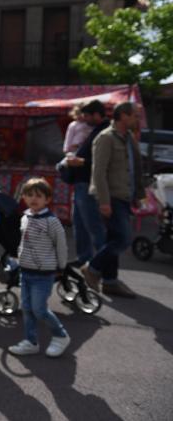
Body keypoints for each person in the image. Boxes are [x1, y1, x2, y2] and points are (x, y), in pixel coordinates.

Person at [82, 101, 143, 298]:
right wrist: (104, 201)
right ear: (123, 116)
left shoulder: (129, 138)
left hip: (125, 195)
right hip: (111, 197)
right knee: (123, 239)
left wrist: (138, 194)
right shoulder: (106, 138)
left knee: (113, 238)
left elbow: (135, 169)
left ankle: (110, 281)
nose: (138, 119)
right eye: (135, 115)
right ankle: (92, 268)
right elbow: (99, 172)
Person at [8, 178, 71, 358]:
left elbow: (61, 245)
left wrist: (61, 266)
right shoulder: (25, 217)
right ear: (24, 197)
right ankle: (31, 341)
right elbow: (24, 242)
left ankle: (60, 335)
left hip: (43, 274)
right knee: (27, 309)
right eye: (29, 195)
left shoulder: (52, 221)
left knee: (39, 309)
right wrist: (18, 260)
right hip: (25, 271)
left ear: (47, 199)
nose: (33, 199)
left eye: (38, 196)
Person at [66, 99, 109, 265]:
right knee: (79, 223)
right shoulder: (95, 129)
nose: (84, 119)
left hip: (89, 183)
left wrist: (82, 162)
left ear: (96, 115)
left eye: (87, 116)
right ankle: (85, 257)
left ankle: (102, 262)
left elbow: (103, 161)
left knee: (93, 224)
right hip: (80, 181)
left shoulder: (104, 131)